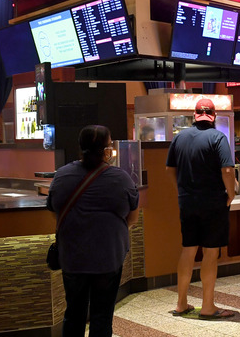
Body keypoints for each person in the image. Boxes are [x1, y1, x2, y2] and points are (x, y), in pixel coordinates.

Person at [46, 125, 139, 337]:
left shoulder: (62, 176)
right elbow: (132, 218)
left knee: (74, 313)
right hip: (108, 257)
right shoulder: (121, 178)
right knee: (102, 315)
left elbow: (55, 212)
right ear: (106, 150)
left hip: (72, 256)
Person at [166, 98, 236, 320]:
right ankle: (207, 306)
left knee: (188, 249)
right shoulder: (217, 137)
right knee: (210, 252)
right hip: (213, 202)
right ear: (213, 116)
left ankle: (181, 303)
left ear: (194, 116)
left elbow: (170, 169)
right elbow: (227, 171)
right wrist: (231, 195)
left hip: (187, 202)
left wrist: (181, 190)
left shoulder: (180, 138)